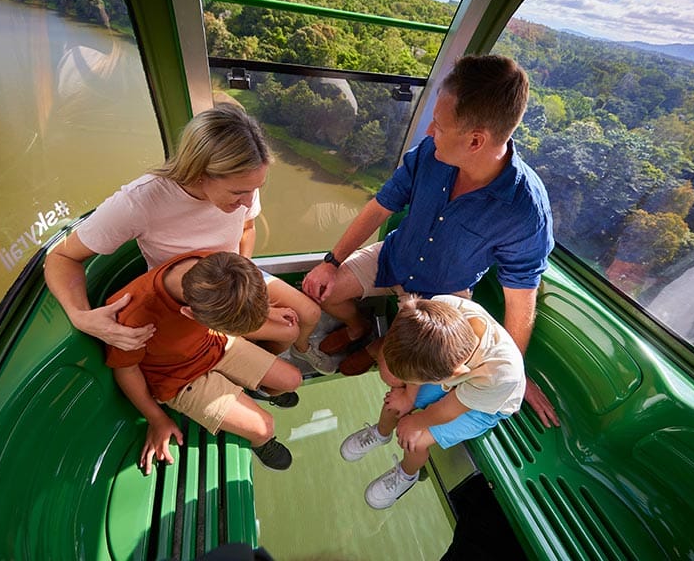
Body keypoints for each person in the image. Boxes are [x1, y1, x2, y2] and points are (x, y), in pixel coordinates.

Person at [302, 54, 558, 427]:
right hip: (393, 258)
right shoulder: (430, 155)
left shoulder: (524, 210)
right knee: (321, 291)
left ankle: (379, 347)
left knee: (393, 375)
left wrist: (512, 371)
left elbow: (521, 297)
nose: (428, 133)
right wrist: (332, 260)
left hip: (442, 298)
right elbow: (379, 207)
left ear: (475, 140)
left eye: (438, 125)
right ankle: (359, 328)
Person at [45, 104, 338, 379]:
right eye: (238, 193)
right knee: (282, 329)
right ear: (200, 173)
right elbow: (62, 258)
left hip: (233, 275)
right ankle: (252, 369)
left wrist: (245, 281)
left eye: (256, 189)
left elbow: (247, 228)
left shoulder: (244, 184)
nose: (248, 201)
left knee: (309, 313)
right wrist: (80, 316)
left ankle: (286, 354)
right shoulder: (141, 201)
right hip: (192, 296)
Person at [106, 250, 302, 472]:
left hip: (214, 343)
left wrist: (263, 311)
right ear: (189, 314)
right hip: (178, 377)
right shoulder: (132, 318)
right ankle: (261, 442)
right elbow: (126, 370)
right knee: (264, 427)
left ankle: (255, 390)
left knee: (292, 379)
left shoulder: (212, 265)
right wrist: (157, 418)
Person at [339, 295, 524, 509]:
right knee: (397, 401)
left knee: (416, 440)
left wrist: (416, 422)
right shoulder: (441, 308)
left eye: (416, 381)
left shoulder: (498, 372)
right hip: (459, 377)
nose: (410, 384)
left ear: (453, 375)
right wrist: (407, 395)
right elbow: (407, 313)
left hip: (486, 404)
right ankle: (380, 433)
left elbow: (449, 409)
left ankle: (406, 474)